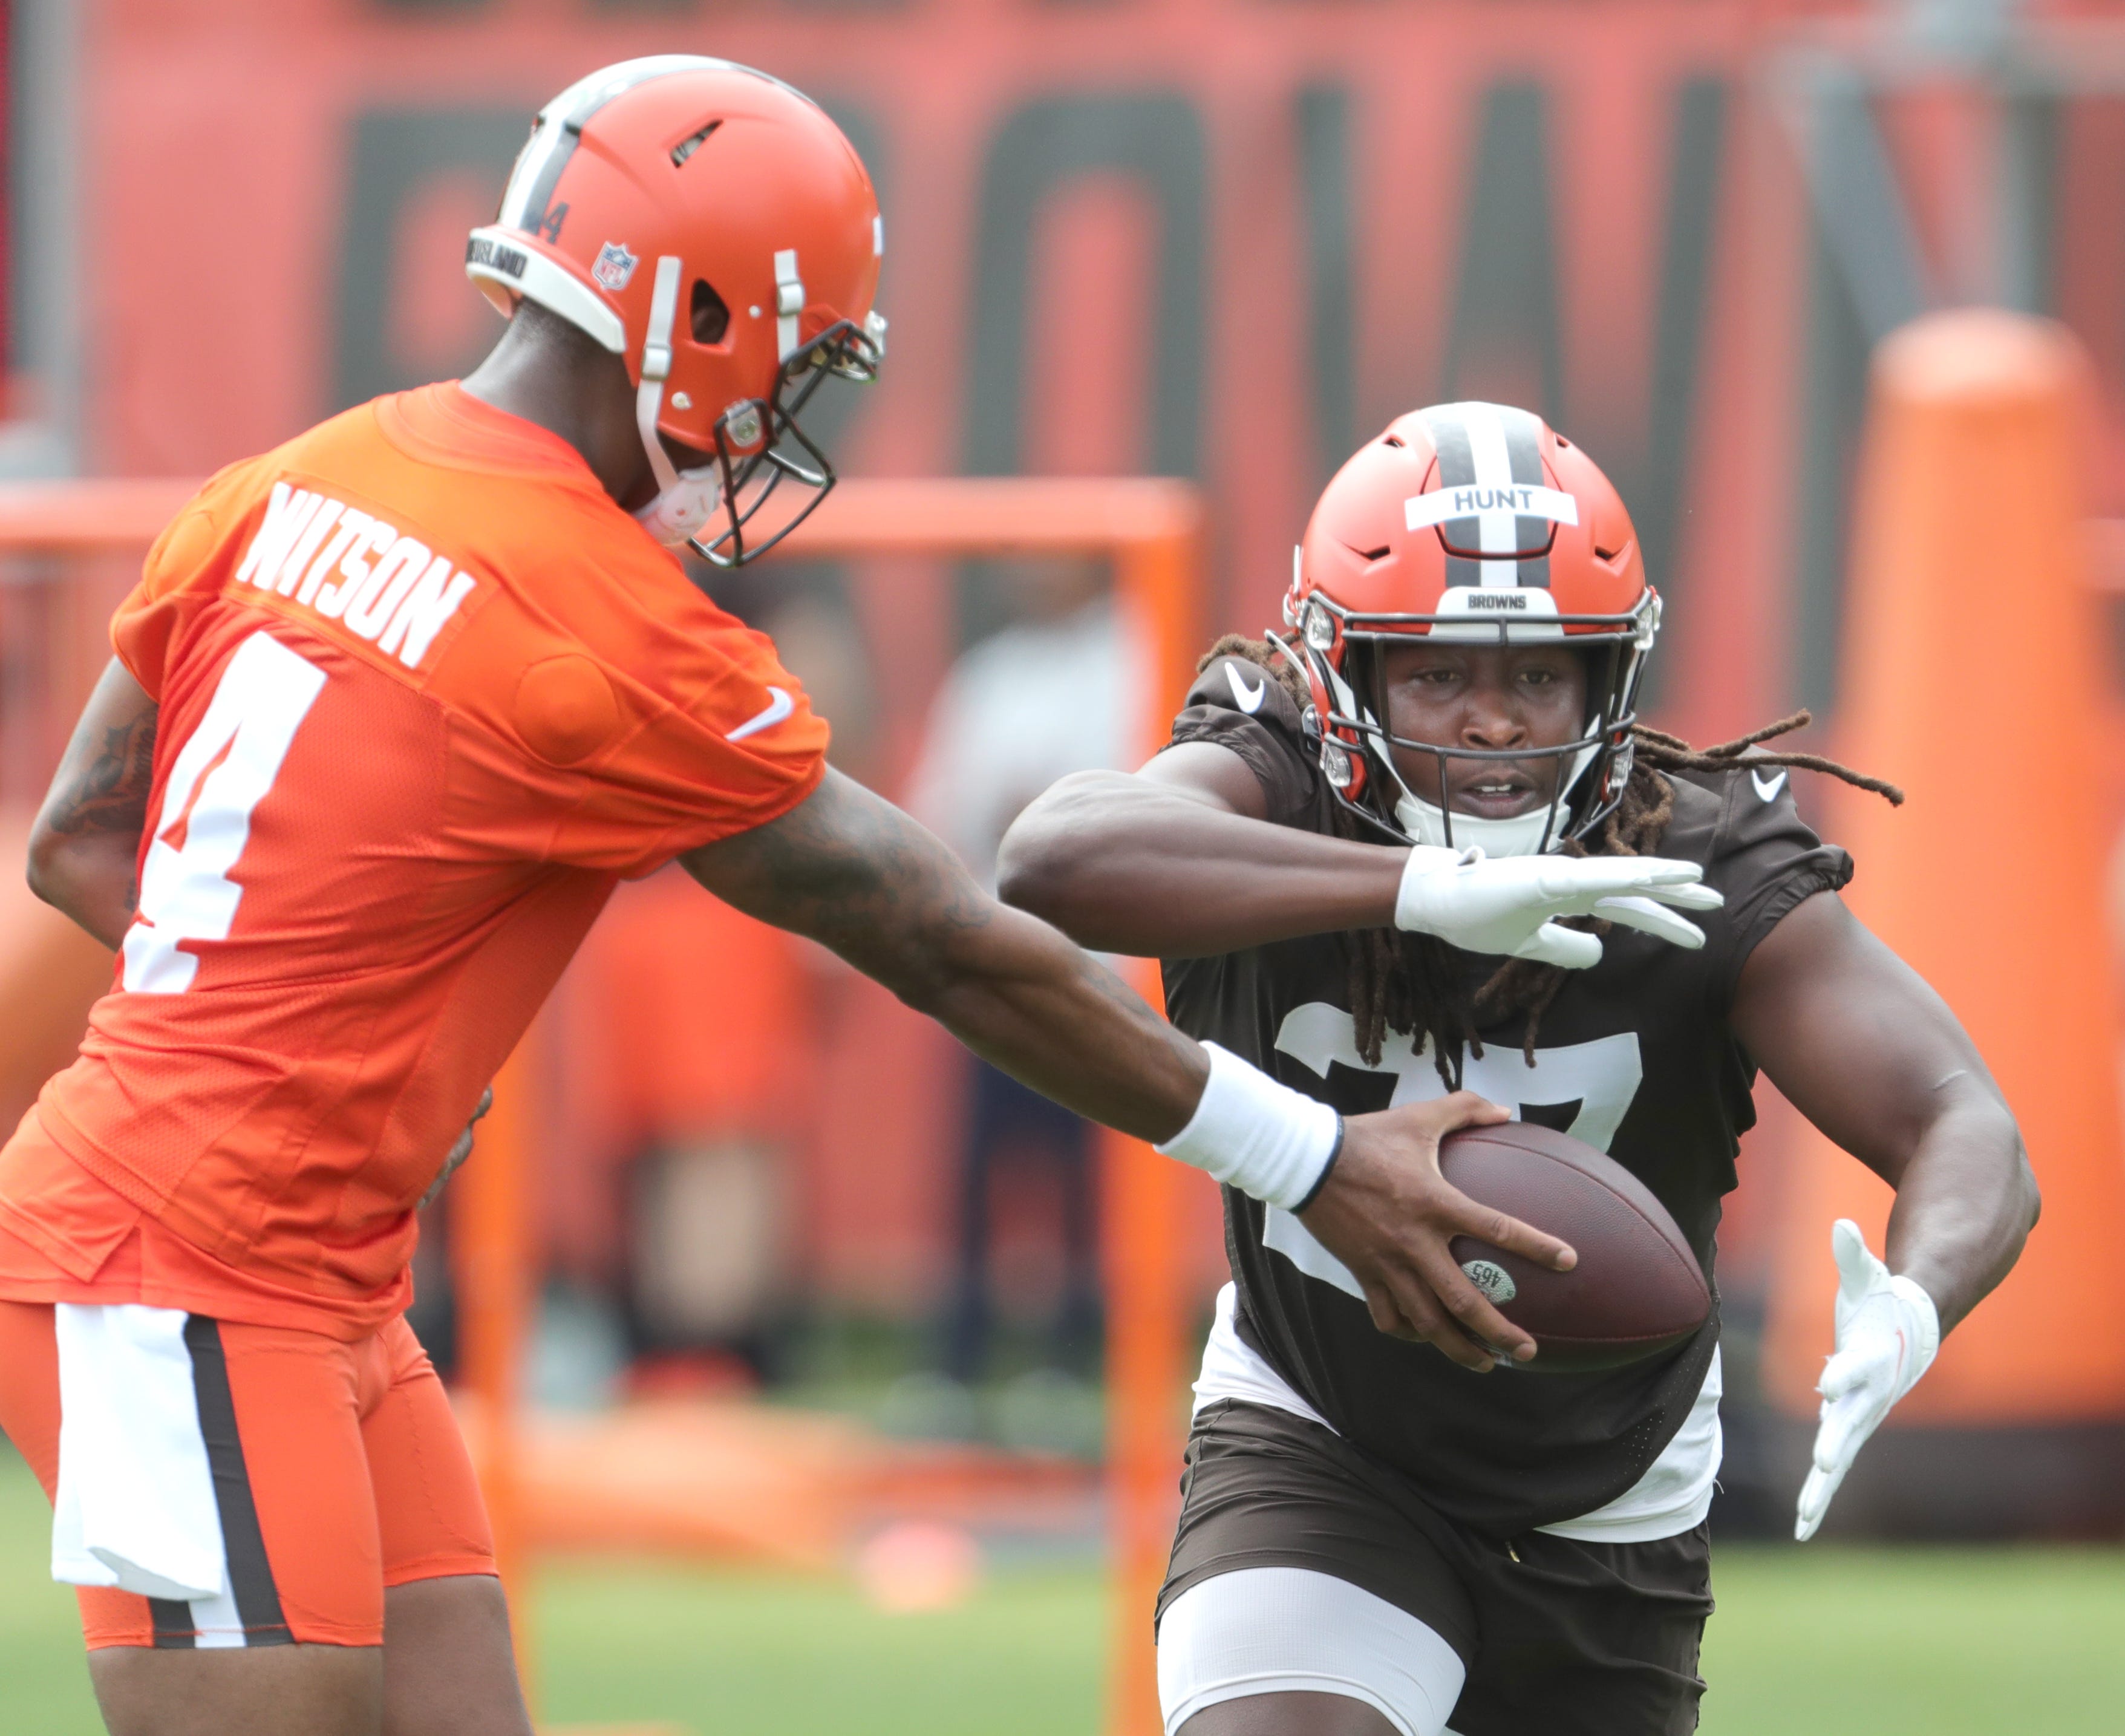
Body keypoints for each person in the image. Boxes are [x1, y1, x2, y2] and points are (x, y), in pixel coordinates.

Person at [0, 67, 1709, 1736]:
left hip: (312, 1270)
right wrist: (1313, 1158)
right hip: (182, 1270)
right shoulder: (600, 623)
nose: (784, 417)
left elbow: (81, 836)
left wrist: (336, 1038)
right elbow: (951, 945)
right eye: (793, 360)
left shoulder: (284, 481)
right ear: (702, 318)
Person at [997, 400, 2037, 1736]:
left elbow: (1959, 1118)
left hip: (1610, 1492)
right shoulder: (1274, 772)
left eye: (1537, 674)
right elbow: (1055, 859)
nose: (1491, 723)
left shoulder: (1697, 857)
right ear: (1343, 677)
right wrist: (1413, 888)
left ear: (1607, 684)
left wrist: (1915, 1301)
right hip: (1323, 1431)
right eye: (1438, 675)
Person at [904, 555, 1146, 1385]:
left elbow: (1141, 793)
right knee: (980, 1166)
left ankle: (1078, 1356)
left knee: (1083, 1166)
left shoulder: (1133, 660)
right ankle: (962, 1358)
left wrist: (1043, 811)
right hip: (991, 948)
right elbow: (939, 804)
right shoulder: (991, 673)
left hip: (1093, 957)